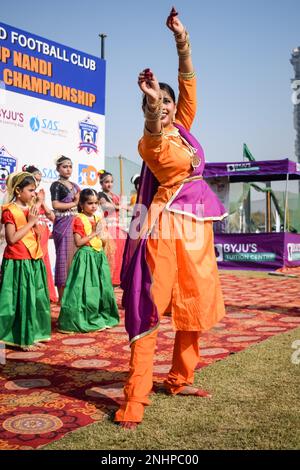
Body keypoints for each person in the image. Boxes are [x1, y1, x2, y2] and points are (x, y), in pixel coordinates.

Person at [114, 7, 228, 429]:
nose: (162, 109)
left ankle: (180, 377)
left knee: (193, 306)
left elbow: (188, 81)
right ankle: (135, 397)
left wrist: (181, 39)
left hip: (198, 228)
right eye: (154, 104)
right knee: (149, 307)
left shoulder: (185, 127)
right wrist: (149, 105)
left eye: (165, 103)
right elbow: (154, 132)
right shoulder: (152, 142)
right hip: (165, 228)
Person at [0, 171, 51, 350]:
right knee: (18, 301)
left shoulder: (30, 209)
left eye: (35, 190)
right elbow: (12, 238)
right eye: (30, 190)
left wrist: (36, 220)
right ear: (18, 190)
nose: (33, 194)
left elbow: (36, 233)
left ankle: (32, 334)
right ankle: (20, 338)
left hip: (32, 260)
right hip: (17, 261)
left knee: (33, 300)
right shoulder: (9, 211)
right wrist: (30, 223)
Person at [58, 188, 119, 333]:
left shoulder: (98, 218)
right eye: (90, 203)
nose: (94, 206)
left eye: (96, 203)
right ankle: (80, 318)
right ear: (82, 204)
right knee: (83, 290)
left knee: (101, 288)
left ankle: (99, 315)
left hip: (98, 256)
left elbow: (102, 238)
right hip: (85, 258)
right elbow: (78, 242)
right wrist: (94, 233)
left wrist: (102, 238)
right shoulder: (79, 218)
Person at [22, 164, 57, 302]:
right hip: (31, 236)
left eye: (39, 180)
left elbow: (51, 216)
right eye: (34, 179)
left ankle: (46, 295)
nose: (37, 183)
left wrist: (42, 202)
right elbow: (29, 214)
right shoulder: (25, 197)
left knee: (44, 264)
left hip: (43, 235)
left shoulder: (37, 196)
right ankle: (34, 296)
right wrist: (38, 202)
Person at [50, 156, 80, 302]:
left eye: (70, 166)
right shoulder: (56, 185)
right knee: (63, 260)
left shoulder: (75, 186)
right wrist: (74, 203)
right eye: (64, 166)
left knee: (76, 259)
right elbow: (56, 205)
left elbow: (81, 203)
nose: (68, 169)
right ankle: (62, 300)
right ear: (58, 169)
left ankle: (73, 297)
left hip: (75, 223)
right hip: (63, 224)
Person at [98, 171, 127, 285]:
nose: (109, 184)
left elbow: (124, 210)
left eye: (111, 182)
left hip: (118, 228)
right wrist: (119, 206)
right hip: (108, 228)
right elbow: (106, 206)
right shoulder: (100, 195)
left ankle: (116, 281)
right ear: (101, 183)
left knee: (119, 255)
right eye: (106, 182)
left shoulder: (115, 196)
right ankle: (107, 281)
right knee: (110, 255)